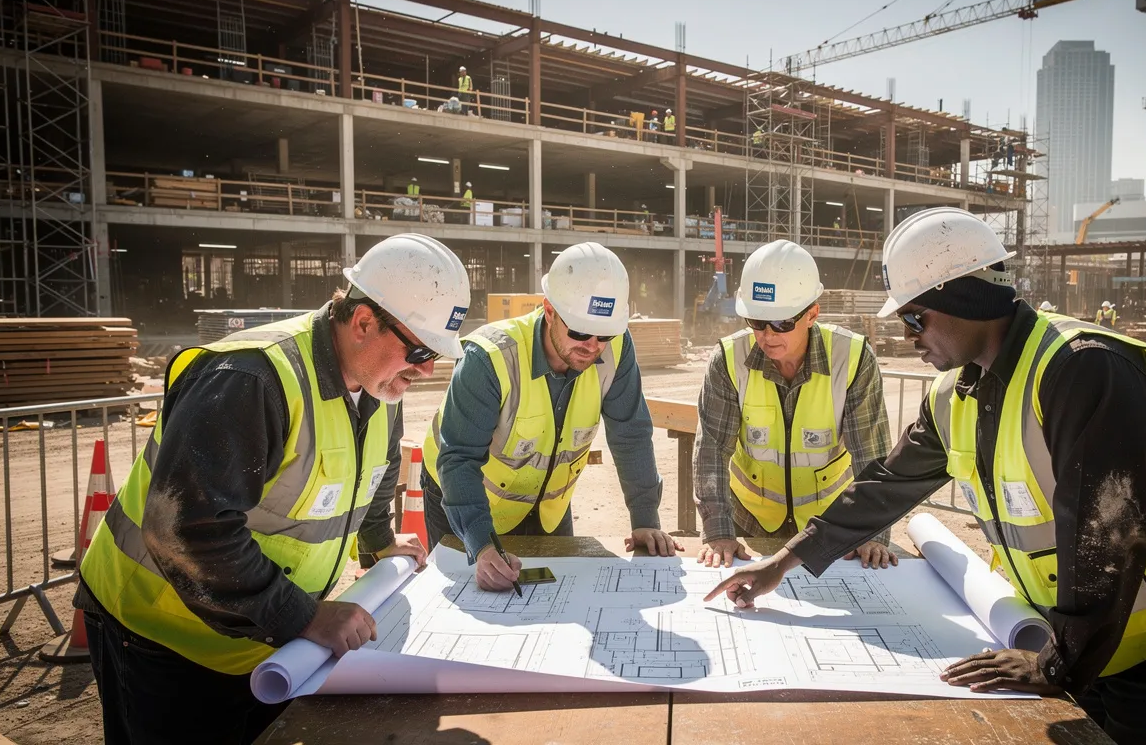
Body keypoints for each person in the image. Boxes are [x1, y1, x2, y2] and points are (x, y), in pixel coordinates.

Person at [708, 207, 1146, 745]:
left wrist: (1056, 663)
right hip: (1090, 639)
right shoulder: (956, 393)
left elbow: (1109, 536)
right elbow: (885, 485)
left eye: (912, 317)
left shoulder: (1083, 368)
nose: (907, 337)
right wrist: (783, 563)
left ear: (962, 300)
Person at [76, 233, 473, 745]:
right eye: (419, 349)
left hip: (259, 636)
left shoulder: (379, 388)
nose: (426, 370)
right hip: (160, 635)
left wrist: (377, 539)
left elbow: (372, 475)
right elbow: (187, 529)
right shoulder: (251, 378)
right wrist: (305, 616)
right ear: (363, 322)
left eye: (435, 353)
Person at [421, 242, 679, 591]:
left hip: (547, 507)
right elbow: (459, 460)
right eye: (579, 332)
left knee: (556, 597)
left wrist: (645, 518)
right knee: (480, 600)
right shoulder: (489, 359)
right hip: (462, 499)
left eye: (604, 334)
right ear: (550, 311)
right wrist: (481, 545)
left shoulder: (616, 348)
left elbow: (630, 433)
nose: (592, 345)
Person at [694, 240, 893, 569]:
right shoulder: (729, 359)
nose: (768, 334)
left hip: (831, 522)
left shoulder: (853, 359)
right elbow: (712, 450)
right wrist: (717, 532)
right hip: (751, 521)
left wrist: (873, 532)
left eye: (782, 323)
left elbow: (872, 456)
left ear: (812, 313)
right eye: (757, 322)